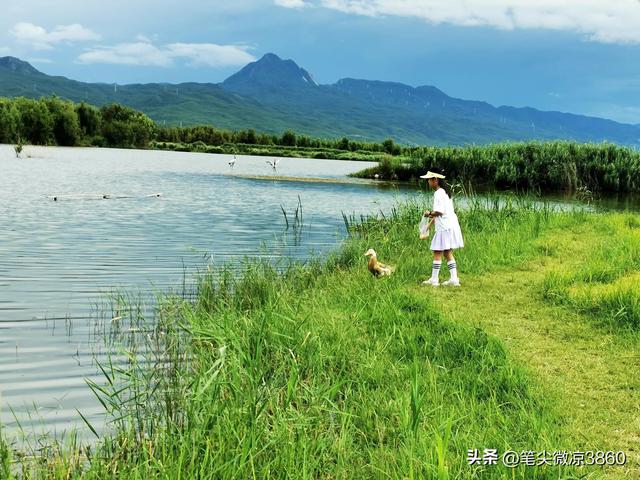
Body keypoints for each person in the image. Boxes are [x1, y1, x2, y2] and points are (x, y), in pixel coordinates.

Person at [420, 169, 464, 287]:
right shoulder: (445, 192)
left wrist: (428, 213)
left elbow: (439, 212)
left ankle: (434, 280)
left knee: (437, 251)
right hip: (451, 225)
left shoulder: (438, 193)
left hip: (444, 227)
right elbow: (443, 213)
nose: (428, 182)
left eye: (429, 179)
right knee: (447, 252)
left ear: (435, 180)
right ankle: (454, 279)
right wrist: (428, 225)